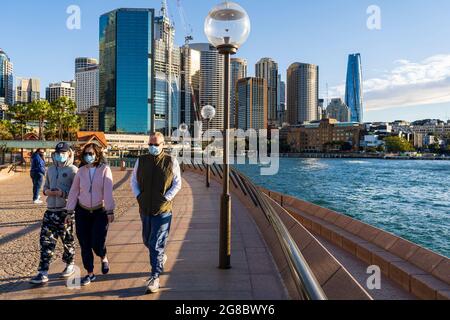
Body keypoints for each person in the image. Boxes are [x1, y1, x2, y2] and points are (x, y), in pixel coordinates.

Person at [131, 132, 182, 294]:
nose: (152, 147)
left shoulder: (171, 161)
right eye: (150, 144)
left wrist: (166, 198)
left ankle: (155, 276)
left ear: (162, 145)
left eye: (156, 144)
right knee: (147, 240)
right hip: (145, 207)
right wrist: (139, 196)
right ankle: (160, 257)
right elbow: (133, 180)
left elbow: (177, 183)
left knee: (156, 243)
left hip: (163, 210)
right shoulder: (141, 160)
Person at [66, 143, 115, 286]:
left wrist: (110, 210)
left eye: (91, 153)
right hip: (82, 211)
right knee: (85, 244)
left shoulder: (105, 169)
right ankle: (90, 273)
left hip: (100, 211)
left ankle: (103, 256)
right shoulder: (80, 171)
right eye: (86, 153)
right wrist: (69, 211)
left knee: (97, 242)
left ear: (97, 155)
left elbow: (108, 191)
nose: (89, 156)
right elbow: (74, 192)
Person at [30, 142, 79, 285]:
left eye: (63, 153)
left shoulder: (73, 170)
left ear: (69, 153)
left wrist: (63, 193)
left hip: (66, 213)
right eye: (58, 153)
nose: (59, 155)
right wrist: (47, 192)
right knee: (45, 241)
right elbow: (45, 187)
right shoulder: (50, 170)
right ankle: (43, 272)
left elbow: (77, 193)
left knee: (67, 240)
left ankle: (69, 264)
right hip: (50, 211)